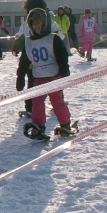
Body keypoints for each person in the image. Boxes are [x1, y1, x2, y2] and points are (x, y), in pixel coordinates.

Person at [19, 8, 73, 139]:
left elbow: (62, 55)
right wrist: (20, 76)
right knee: (36, 102)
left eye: (39, 23)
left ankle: (65, 123)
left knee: (57, 101)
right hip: (38, 76)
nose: (36, 26)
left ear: (45, 23)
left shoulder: (53, 38)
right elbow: (24, 60)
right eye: (33, 24)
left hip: (54, 75)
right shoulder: (29, 41)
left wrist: (65, 70)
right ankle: (38, 127)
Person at [12, 0, 66, 117]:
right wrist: (16, 45)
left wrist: (53, 39)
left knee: (54, 84)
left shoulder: (50, 23)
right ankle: (30, 107)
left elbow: (61, 34)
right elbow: (20, 36)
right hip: (33, 61)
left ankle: (58, 102)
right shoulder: (26, 25)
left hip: (50, 60)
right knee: (32, 85)